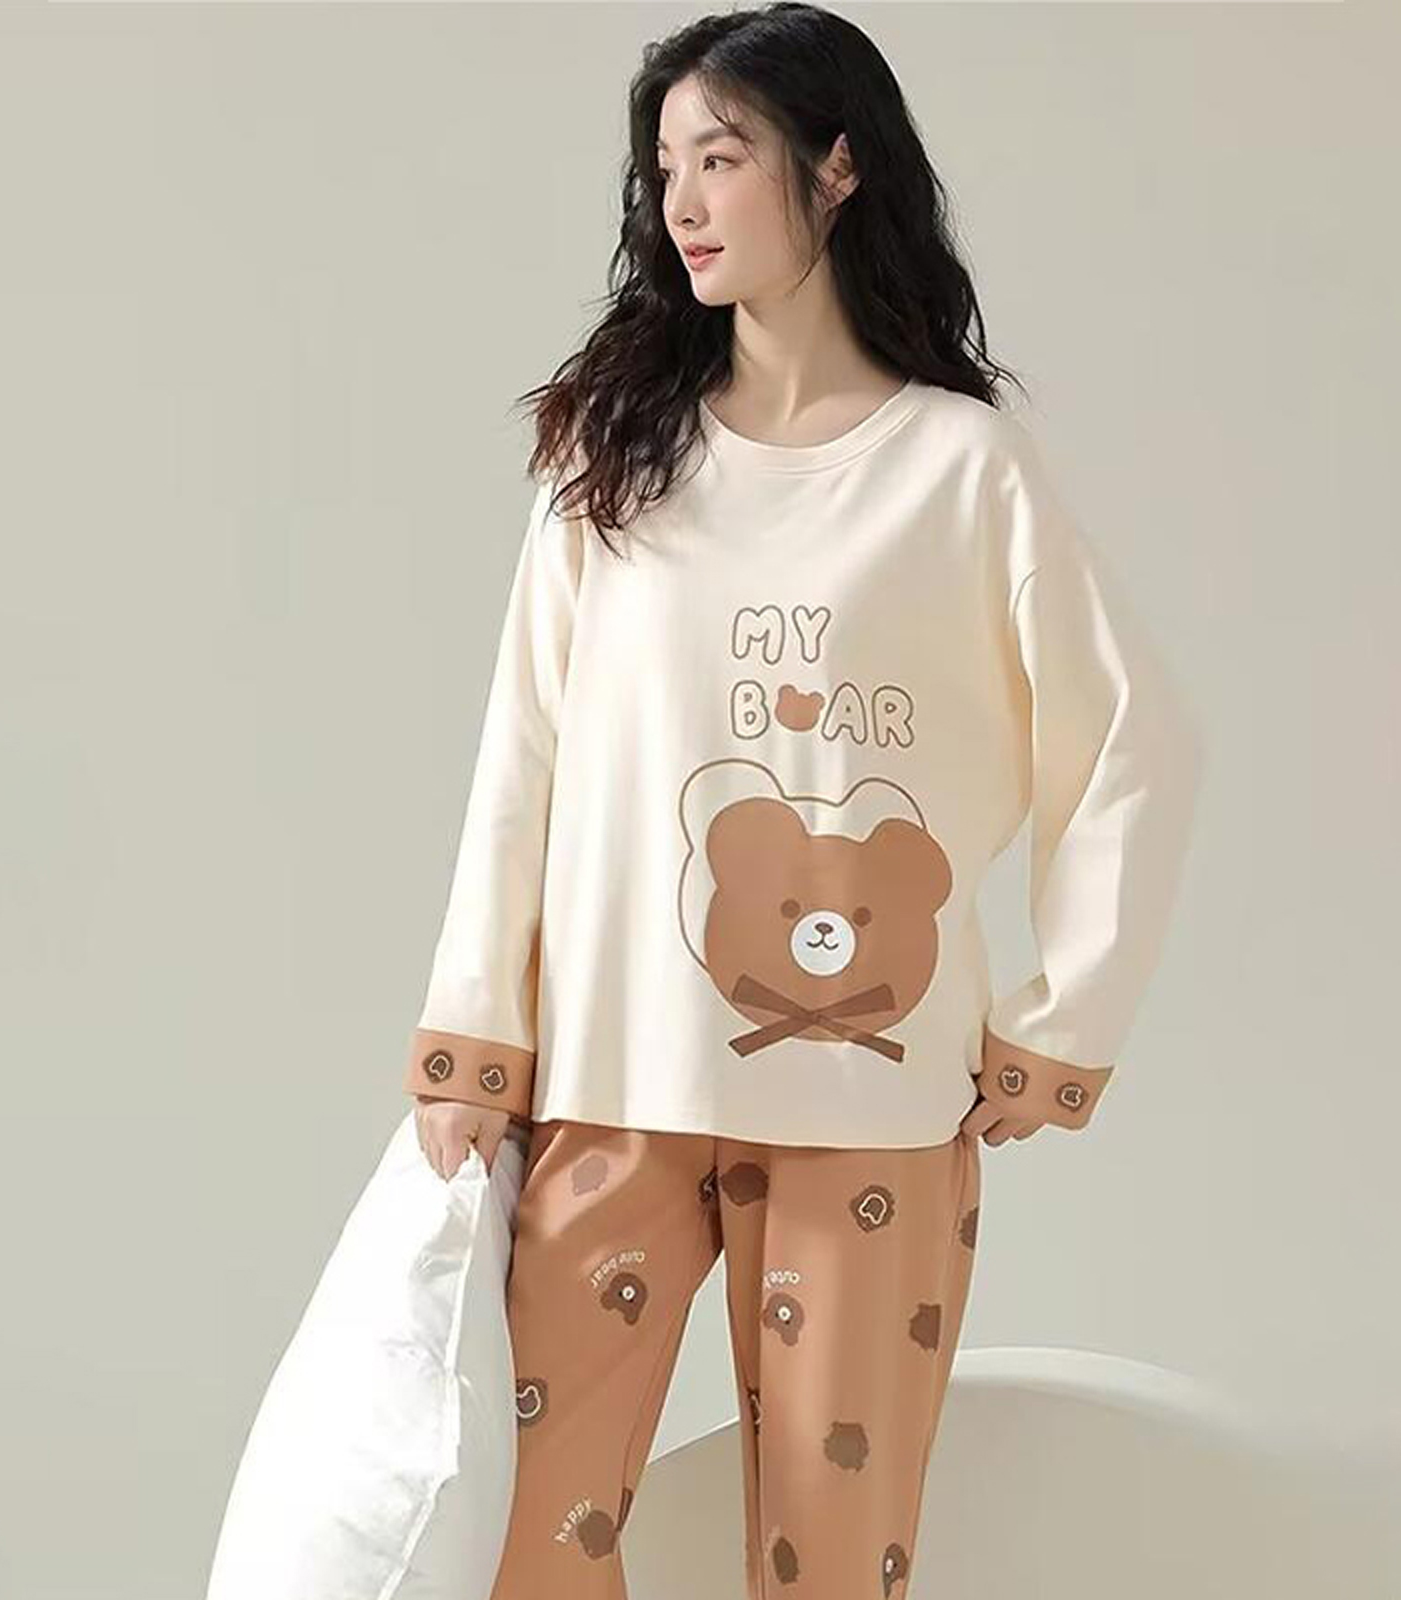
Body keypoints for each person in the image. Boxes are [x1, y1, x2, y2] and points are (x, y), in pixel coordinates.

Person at [405, 5, 1204, 1595]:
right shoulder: (612, 465)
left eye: (722, 159)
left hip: (870, 1108)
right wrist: (475, 1036)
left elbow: (1133, 738)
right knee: (519, 1538)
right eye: (665, 171)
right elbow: (523, 758)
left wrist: (1060, 1028)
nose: (683, 205)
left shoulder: (961, 470)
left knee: (834, 1563)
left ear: (837, 170)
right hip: (618, 1084)